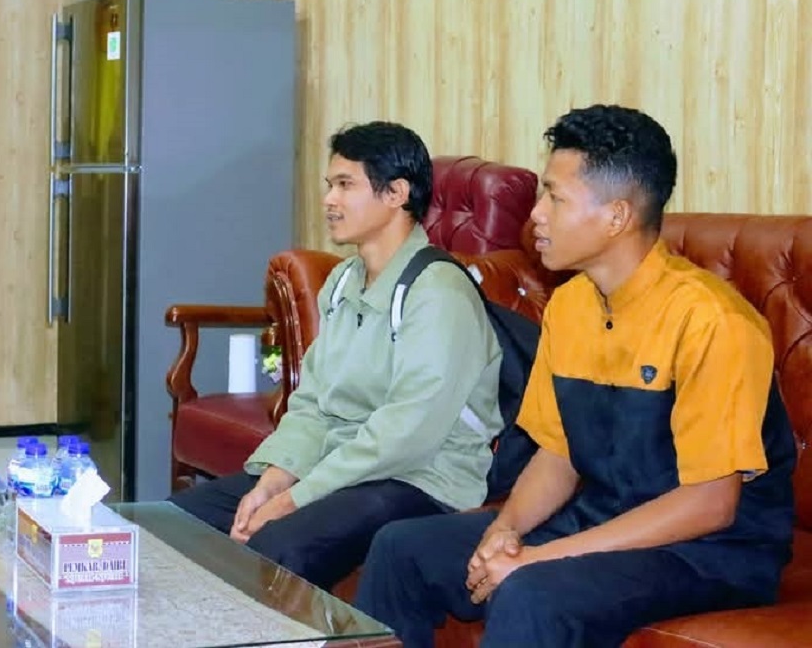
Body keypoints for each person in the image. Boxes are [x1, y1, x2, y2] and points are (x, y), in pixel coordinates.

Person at [355, 104, 796, 648]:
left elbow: (711, 503)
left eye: (555, 198)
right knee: (402, 547)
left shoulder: (713, 321)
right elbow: (558, 453)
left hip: (712, 551)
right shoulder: (571, 307)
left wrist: (538, 558)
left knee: (532, 592)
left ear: (616, 216)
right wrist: (505, 531)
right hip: (604, 516)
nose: (536, 215)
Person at [169, 121, 503, 590]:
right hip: (340, 466)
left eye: (345, 185)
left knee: (277, 547)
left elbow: (405, 434)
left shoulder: (439, 293)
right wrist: (275, 479)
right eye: (330, 185)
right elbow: (313, 403)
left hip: (420, 478)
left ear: (396, 194)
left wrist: (294, 499)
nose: (329, 199)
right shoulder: (344, 282)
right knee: (175, 523)